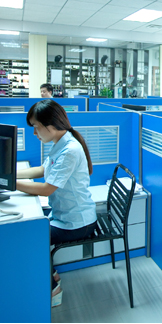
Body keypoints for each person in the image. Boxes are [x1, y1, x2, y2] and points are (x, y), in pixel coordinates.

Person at [15, 99, 97, 307]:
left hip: (78, 223)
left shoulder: (69, 150)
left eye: (36, 128)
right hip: (64, 215)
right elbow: (42, 170)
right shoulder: (60, 143)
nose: (34, 133)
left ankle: (54, 290)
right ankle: (52, 275)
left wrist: (11, 184)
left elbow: (47, 188)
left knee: (32, 236)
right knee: (34, 230)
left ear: (50, 126)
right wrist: (10, 174)